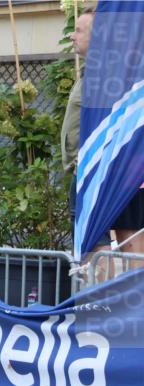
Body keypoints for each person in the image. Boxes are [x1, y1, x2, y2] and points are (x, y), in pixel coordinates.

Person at [62, 7, 144, 258]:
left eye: (78, 30)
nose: (72, 36)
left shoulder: (109, 76)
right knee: (123, 241)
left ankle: (108, 286)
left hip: (100, 169)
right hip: (106, 168)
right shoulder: (100, 72)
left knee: (100, 243)